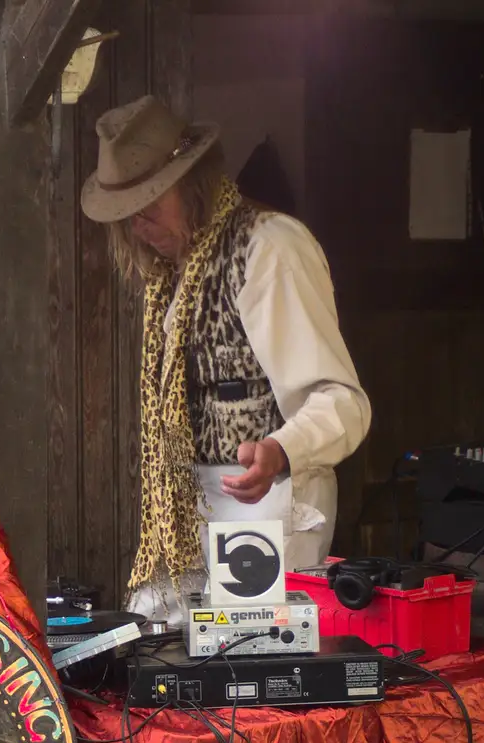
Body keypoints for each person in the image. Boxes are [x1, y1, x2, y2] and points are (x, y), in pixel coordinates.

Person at [80, 96, 370, 619]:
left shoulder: (269, 249)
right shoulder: (170, 275)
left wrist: (280, 448)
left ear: (191, 183)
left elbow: (343, 403)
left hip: (270, 503)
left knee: (247, 677)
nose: (140, 224)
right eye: (128, 213)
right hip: (189, 512)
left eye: (151, 202)